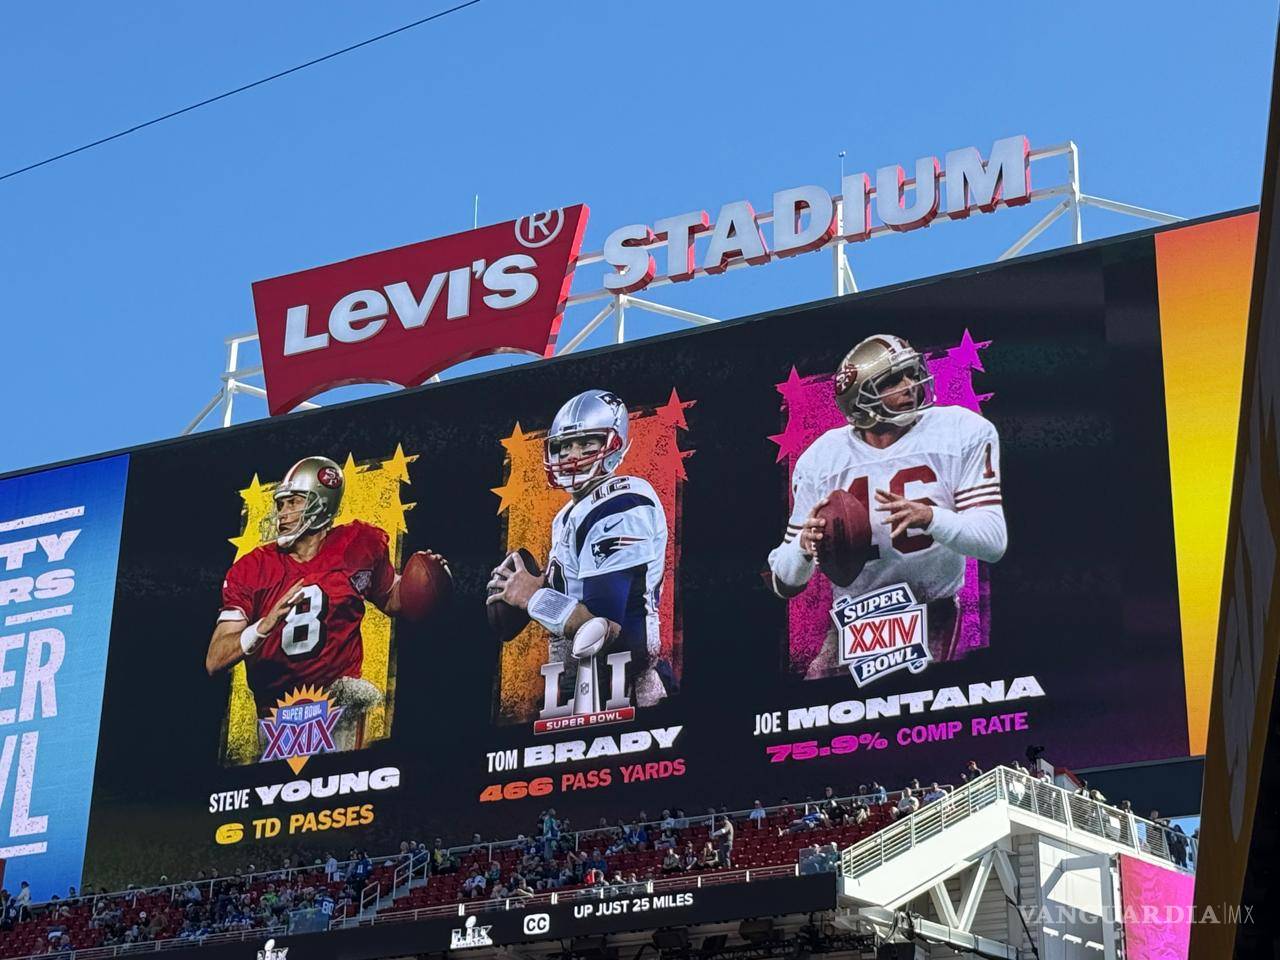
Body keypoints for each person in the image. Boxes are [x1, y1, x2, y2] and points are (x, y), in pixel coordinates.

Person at [768, 334, 1007, 674]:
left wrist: (931, 518)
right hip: (853, 624)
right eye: (893, 379)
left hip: (931, 615)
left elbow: (992, 541)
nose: (910, 384)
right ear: (859, 401)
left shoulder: (960, 430)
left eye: (912, 372)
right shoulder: (822, 457)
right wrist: (804, 549)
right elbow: (784, 581)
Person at [207, 455, 449, 752]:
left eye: (293, 502)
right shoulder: (252, 569)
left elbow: (392, 598)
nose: (283, 513)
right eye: (281, 504)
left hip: (338, 707)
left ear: (322, 504)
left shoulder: (357, 545)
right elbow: (215, 659)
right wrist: (262, 626)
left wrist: (427, 580)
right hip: (278, 719)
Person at [488, 390, 673, 709]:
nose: (572, 456)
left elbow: (602, 630)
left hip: (628, 695)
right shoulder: (567, 516)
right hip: (584, 694)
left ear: (613, 445)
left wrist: (533, 597)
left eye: (586, 444)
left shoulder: (622, 505)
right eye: (563, 446)